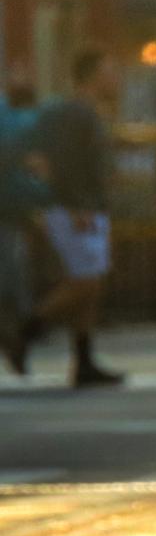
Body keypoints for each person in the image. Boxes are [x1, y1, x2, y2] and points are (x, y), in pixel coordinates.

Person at [8, 49, 124, 385]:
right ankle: (25, 332)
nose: (115, 77)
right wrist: (79, 206)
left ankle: (84, 360)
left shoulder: (87, 112)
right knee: (83, 283)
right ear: (91, 75)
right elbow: (69, 164)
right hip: (76, 209)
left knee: (92, 284)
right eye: (109, 69)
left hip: (88, 207)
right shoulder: (74, 113)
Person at [0, 74, 50, 370]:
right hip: (8, 212)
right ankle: (16, 333)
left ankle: (15, 335)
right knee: (13, 276)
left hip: (11, 211)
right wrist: (47, 194)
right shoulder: (23, 124)